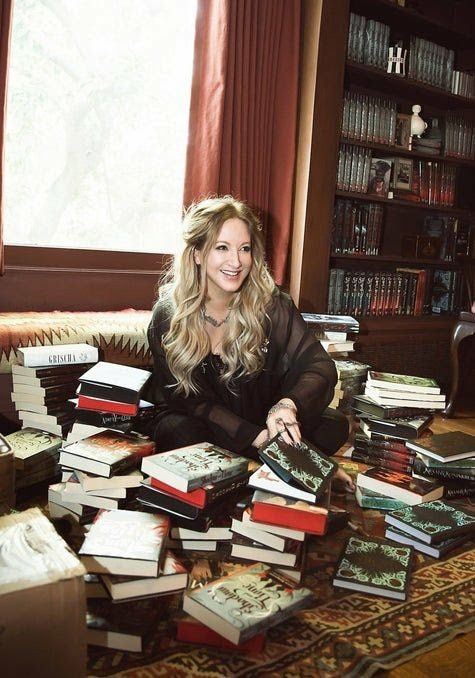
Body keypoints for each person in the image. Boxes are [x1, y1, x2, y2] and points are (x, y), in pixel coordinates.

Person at [146, 196, 351, 483]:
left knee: (335, 424)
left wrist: (286, 406)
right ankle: (278, 459)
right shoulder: (169, 315)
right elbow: (190, 402)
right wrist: (262, 440)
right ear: (197, 253)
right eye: (222, 248)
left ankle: (271, 460)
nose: (236, 261)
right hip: (202, 421)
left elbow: (318, 364)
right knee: (181, 432)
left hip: (258, 416)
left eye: (244, 249)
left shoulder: (273, 304)